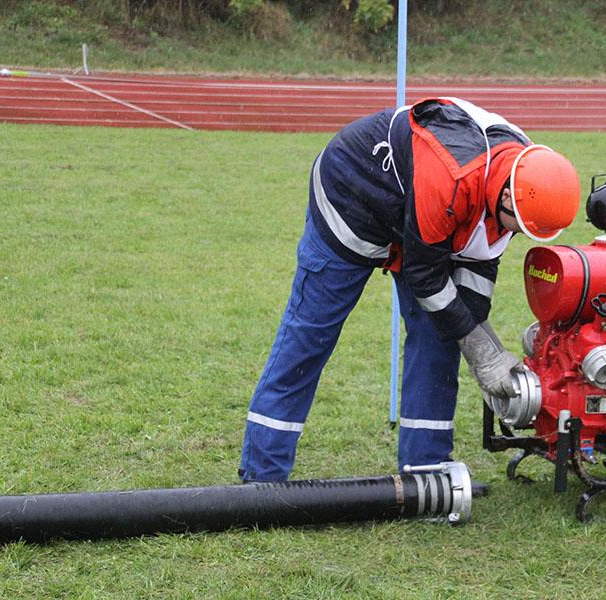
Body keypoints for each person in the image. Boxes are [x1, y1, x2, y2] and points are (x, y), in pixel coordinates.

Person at [239, 97, 580, 481]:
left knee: (439, 337)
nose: (515, 233)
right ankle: (262, 474)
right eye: (516, 224)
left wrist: (488, 351)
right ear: (506, 196)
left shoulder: (523, 177)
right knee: (310, 336)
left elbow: (477, 272)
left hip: (423, 216)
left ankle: (426, 472)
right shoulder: (452, 178)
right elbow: (426, 277)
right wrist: (486, 358)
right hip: (352, 194)